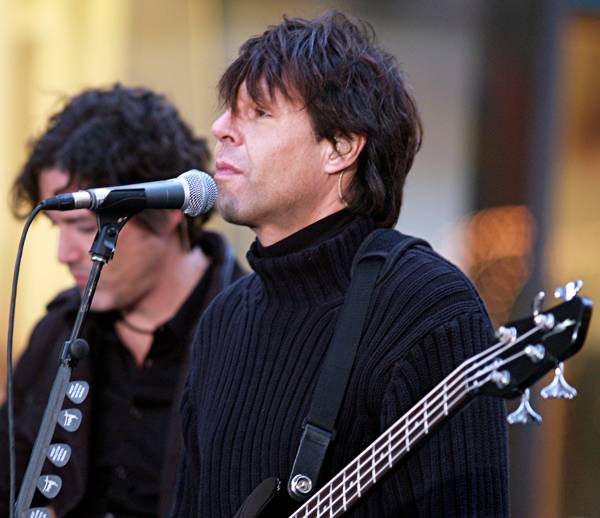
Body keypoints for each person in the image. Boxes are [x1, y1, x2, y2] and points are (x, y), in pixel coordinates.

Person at [171, 11, 508, 518]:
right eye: (228, 111)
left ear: (340, 147)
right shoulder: (224, 320)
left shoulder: (429, 309)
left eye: (259, 112)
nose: (221, 128)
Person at [0, 84, 244, 517]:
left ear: (168, 211)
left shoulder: (252, 335)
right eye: (57, 229)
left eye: (81, 226)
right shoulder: (57, 331)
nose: (65, 254)